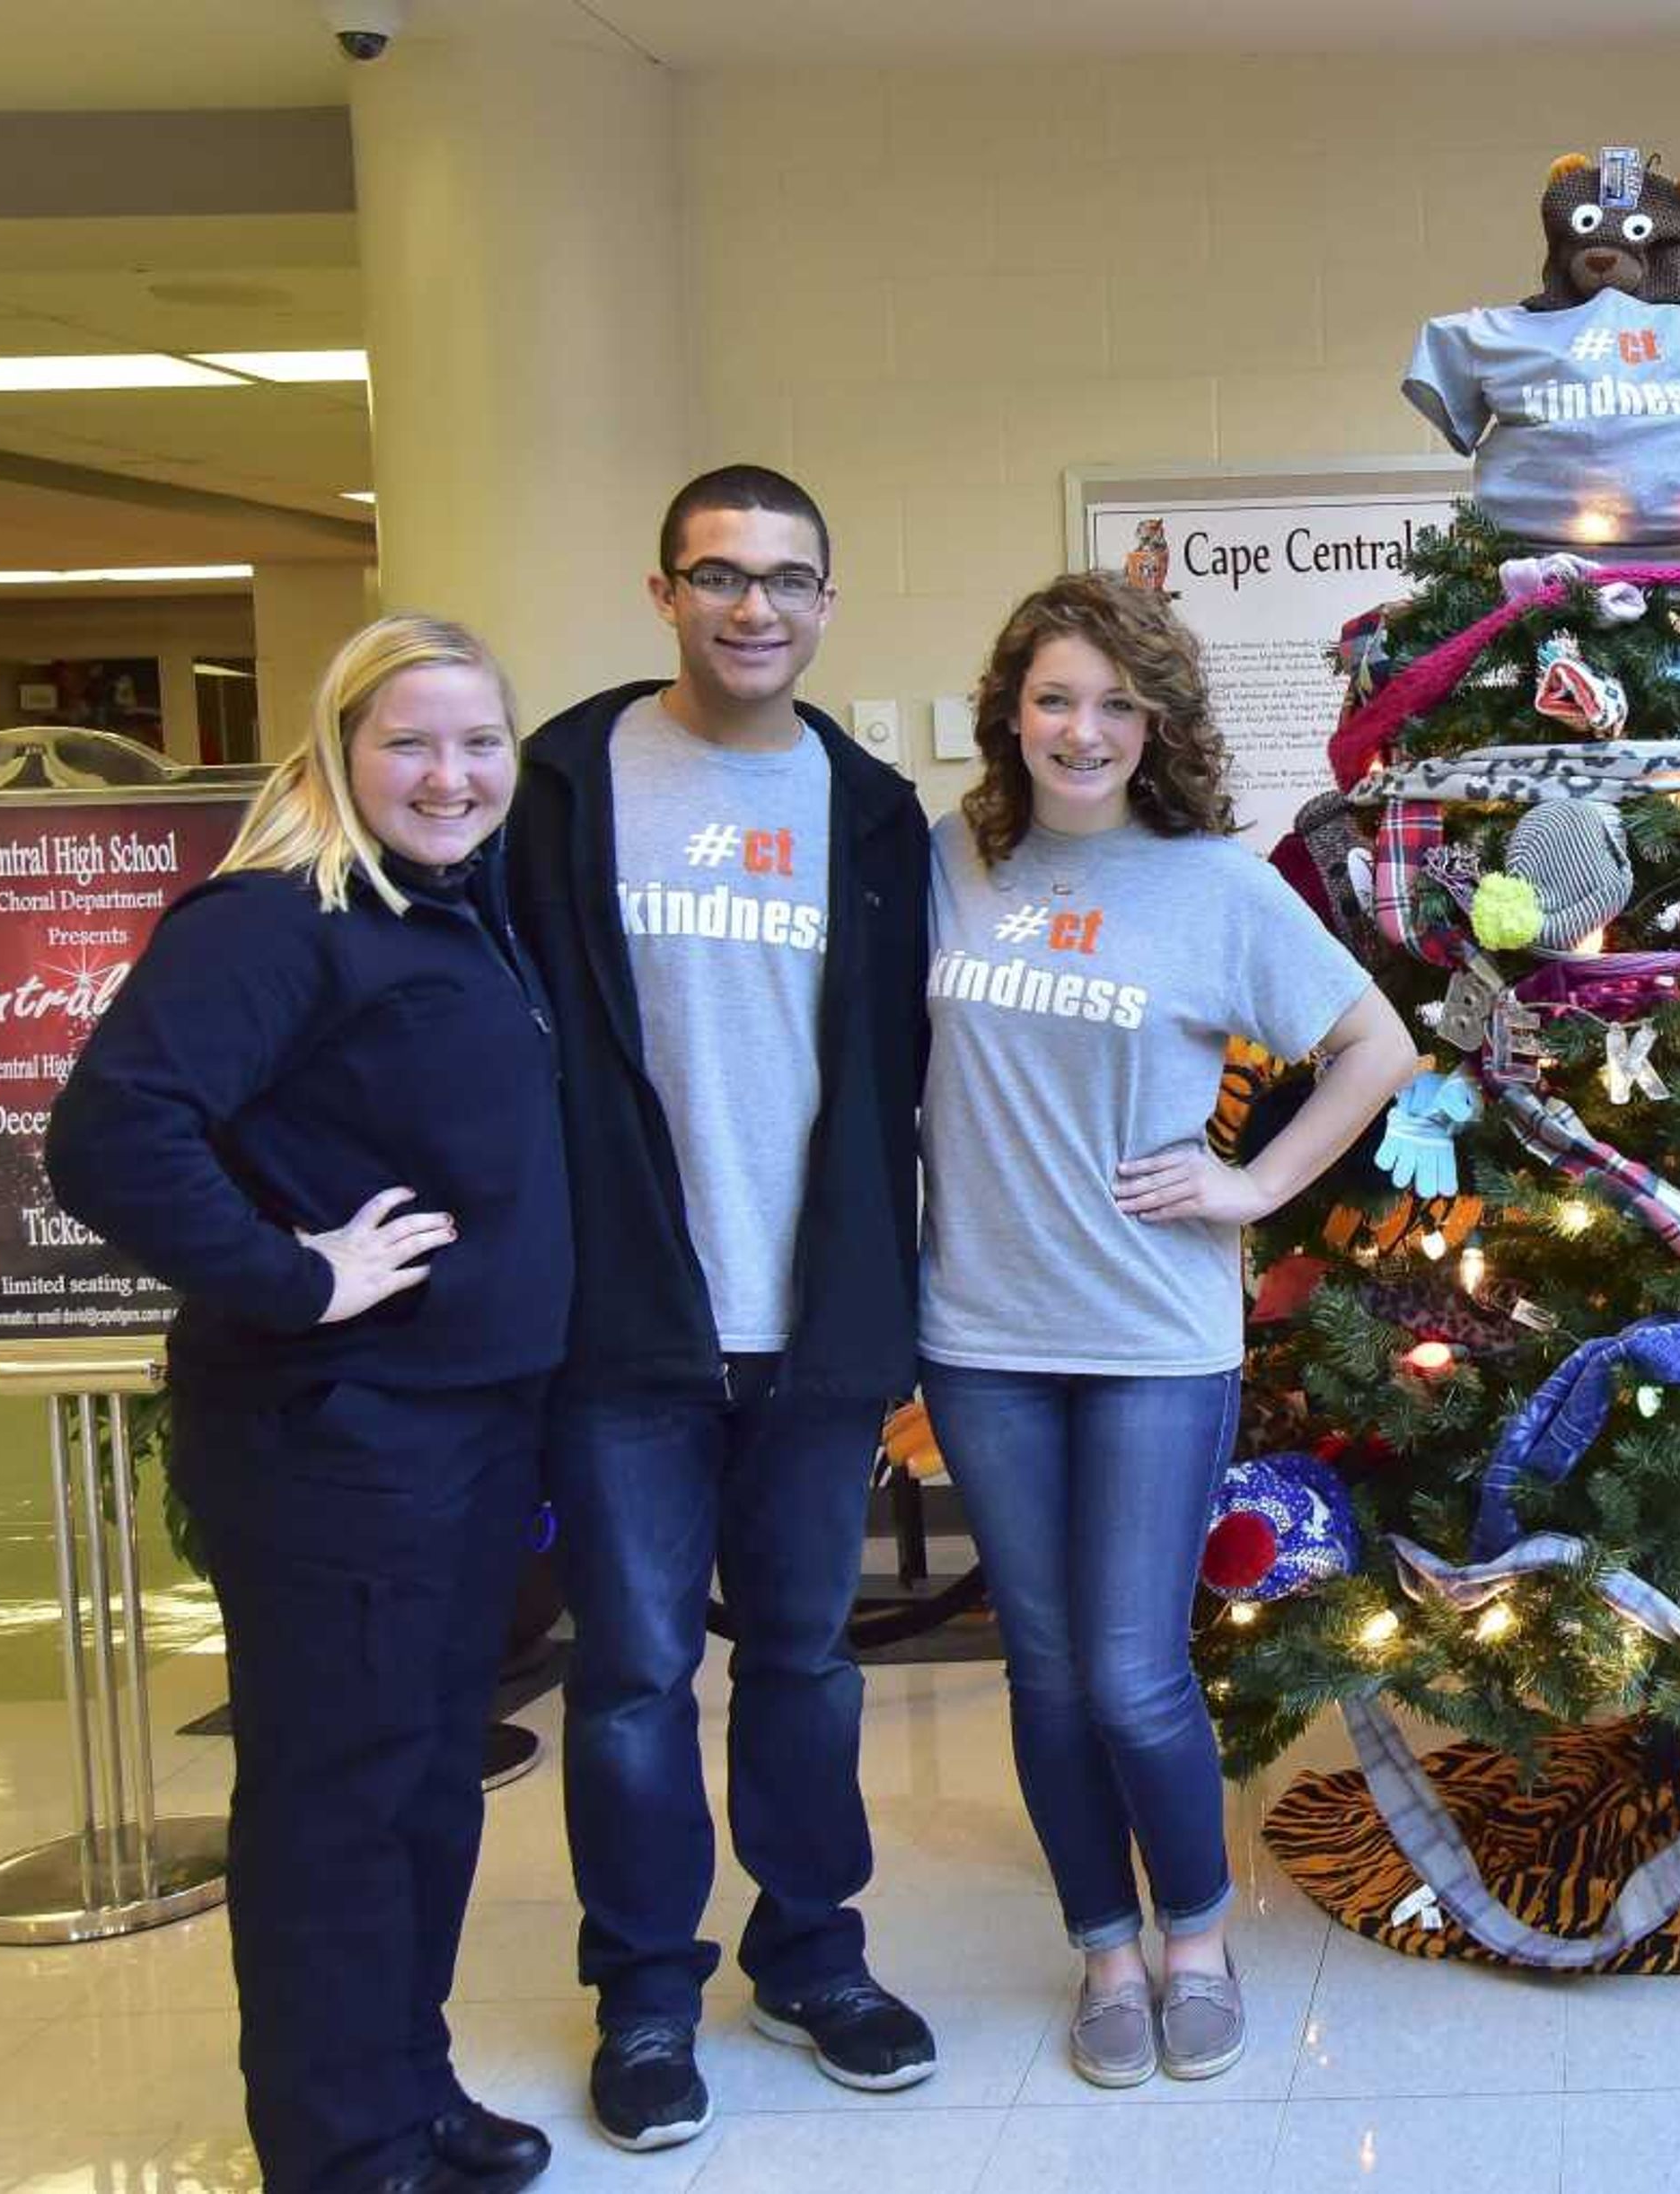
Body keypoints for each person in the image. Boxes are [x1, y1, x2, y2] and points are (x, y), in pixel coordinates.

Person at [46, 616, 567, 2194]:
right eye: (410, 740)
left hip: (464, 1432)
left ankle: (406, 2086)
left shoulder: (462, 913)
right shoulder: (277, 919)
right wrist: (296, 1273)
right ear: (337, 751)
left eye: (480, 742)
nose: (451, 773)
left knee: (423, 1778)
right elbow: (111, 1132)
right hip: (338, 1430)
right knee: (337, 1795)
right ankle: (341, 2149)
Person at [913, 572, 1413, 2088]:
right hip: (982, 1333)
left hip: (1151, 1331)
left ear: (1157, 724)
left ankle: (1193, 1934)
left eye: (1117, 703)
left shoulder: (1211, 883)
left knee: (1134, 1670)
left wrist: (1251, 1178)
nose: (1084, 730)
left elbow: (1374, 1044)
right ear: (1011, 712)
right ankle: (1103, 1953)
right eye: (1056, 697)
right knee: (1047, 1671)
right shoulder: (950, 860)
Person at [505, 465, 935, 2148]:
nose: (755, 606)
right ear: (663, 591)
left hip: (816, 1322)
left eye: (788, 578)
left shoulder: (875, 808)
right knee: (627, 1673)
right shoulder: (560, 784)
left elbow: (917, 1066)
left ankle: (814, 1954)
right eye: (720, 575)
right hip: (626, 1330)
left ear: (828, 603)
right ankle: (648, 1993)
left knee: (809, 1664)